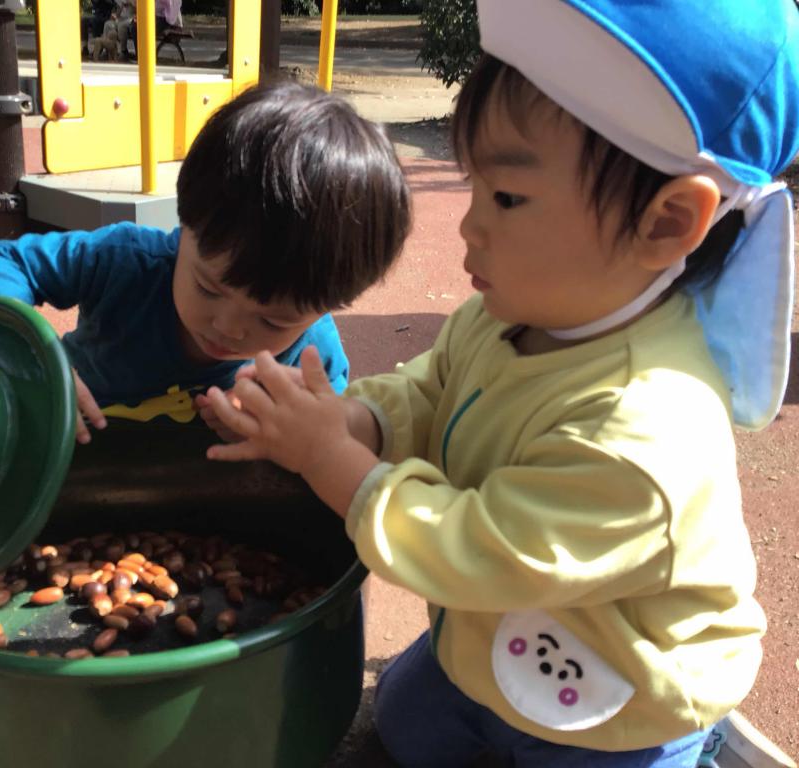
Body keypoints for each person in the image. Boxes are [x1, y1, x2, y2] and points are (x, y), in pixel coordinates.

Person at [202, 1, 799, 766]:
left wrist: (332, 463)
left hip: (618, 702)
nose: (468, 226)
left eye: (507, 197)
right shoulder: (506, 315)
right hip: (490, 635)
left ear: (666, 221)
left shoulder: (645, 427)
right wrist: (352, 422)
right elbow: (431, 391)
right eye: (474, 186)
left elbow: (475, 549)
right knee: (406, 721)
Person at [0, 81, 411, 446]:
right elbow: (4, 261)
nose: (230, 328)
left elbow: (328, 439)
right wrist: (28, 356)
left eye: (274, 321)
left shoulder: (314, 356)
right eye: (209, 288)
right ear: (185, 225)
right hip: (67, 450)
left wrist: (276, 433)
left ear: (329, 304)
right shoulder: (126, 261)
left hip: (197, 497)